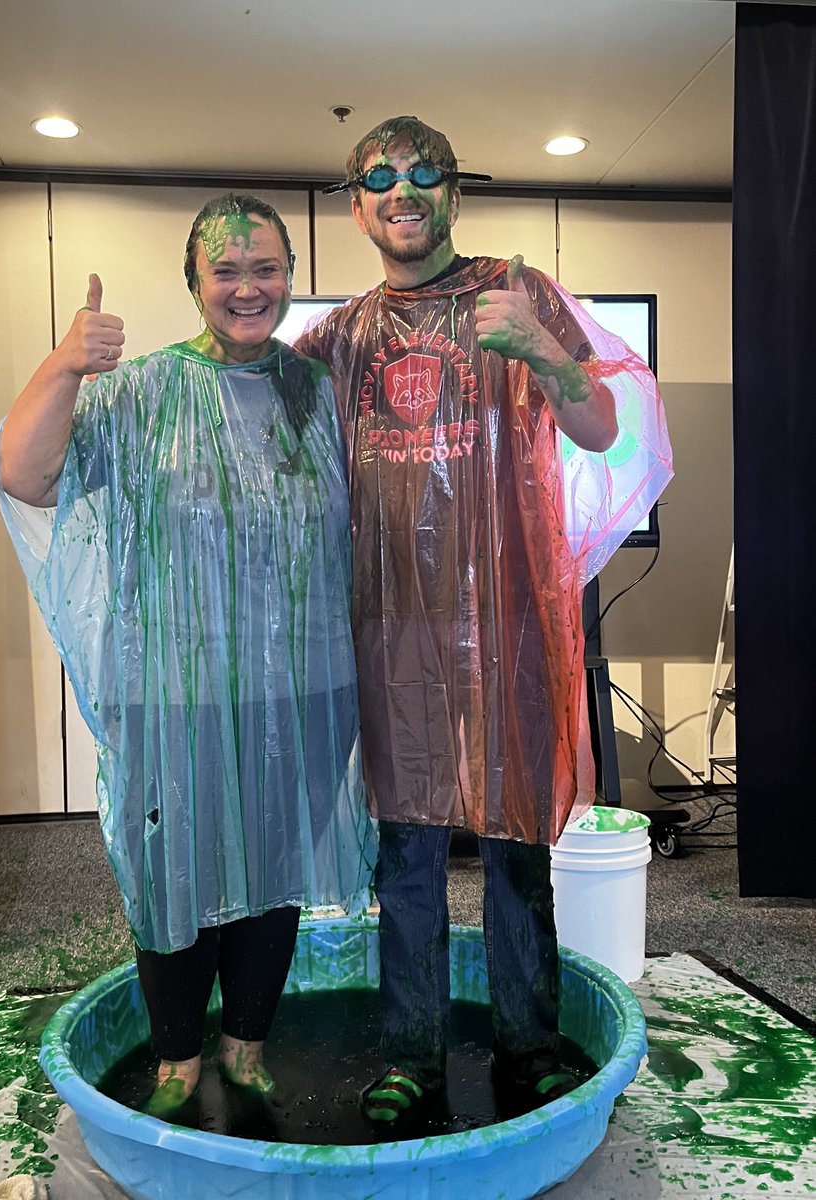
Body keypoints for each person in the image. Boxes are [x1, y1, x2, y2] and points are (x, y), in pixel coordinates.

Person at [297, 116, 671, 1122]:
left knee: (515, 850)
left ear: (454, 195)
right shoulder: (339, 338)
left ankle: (530, 1045)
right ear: (358, 206)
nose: (403, 190)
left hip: (507, 626)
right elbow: (263, 434)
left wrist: (545, 352)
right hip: (394, 635)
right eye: (381, 176)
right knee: (408, 853)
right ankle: (411, 1056)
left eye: (425, 173)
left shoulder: (516, 290)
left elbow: (602, 425)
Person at [0, 193, 376, 1117]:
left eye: (267, 269)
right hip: (173, 691)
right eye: (226, 270)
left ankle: (246, 1045)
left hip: (301, 687)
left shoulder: (320, 394)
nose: (249, 288)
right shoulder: (140, 392)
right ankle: (175, 1057)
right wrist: (64, 364)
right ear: (194, 281)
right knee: (172, 869)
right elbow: (24, 474)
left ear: (290, 276)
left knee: (274, 869)